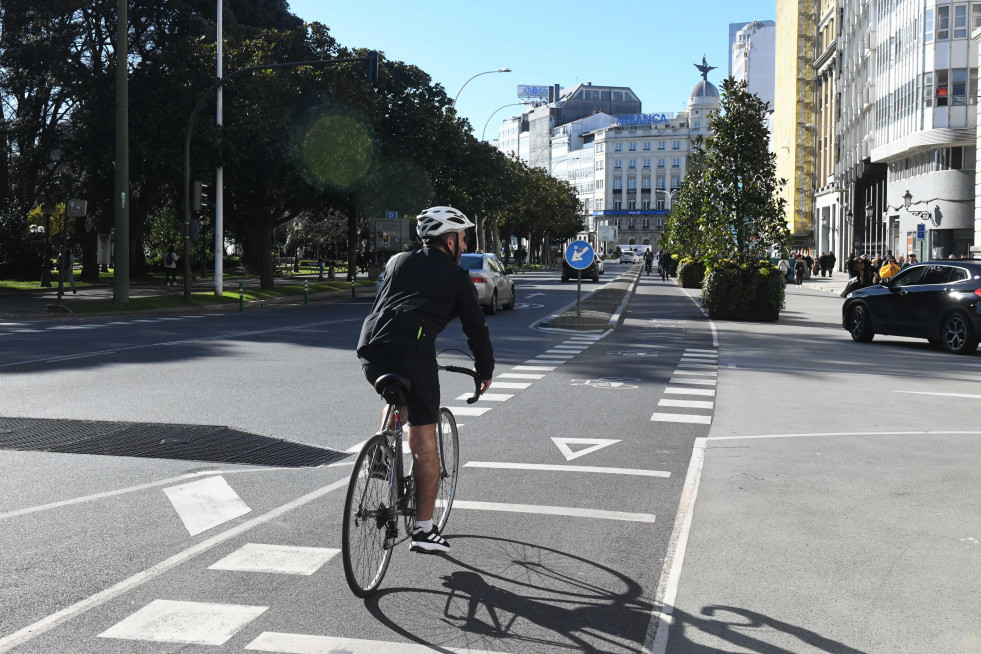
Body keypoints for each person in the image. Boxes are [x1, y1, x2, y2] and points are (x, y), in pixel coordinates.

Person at [357, 206, 494, 555]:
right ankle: (423, 529)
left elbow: (383, 302)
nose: (464, 245)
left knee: (395, 391)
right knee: (423, 443)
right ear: (450, 241)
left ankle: (382, 453)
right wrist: (485, 370)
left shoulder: (398, 261)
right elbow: (475, 328)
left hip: (370, 347)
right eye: (463, 238)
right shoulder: (455, 276)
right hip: (413, 354)